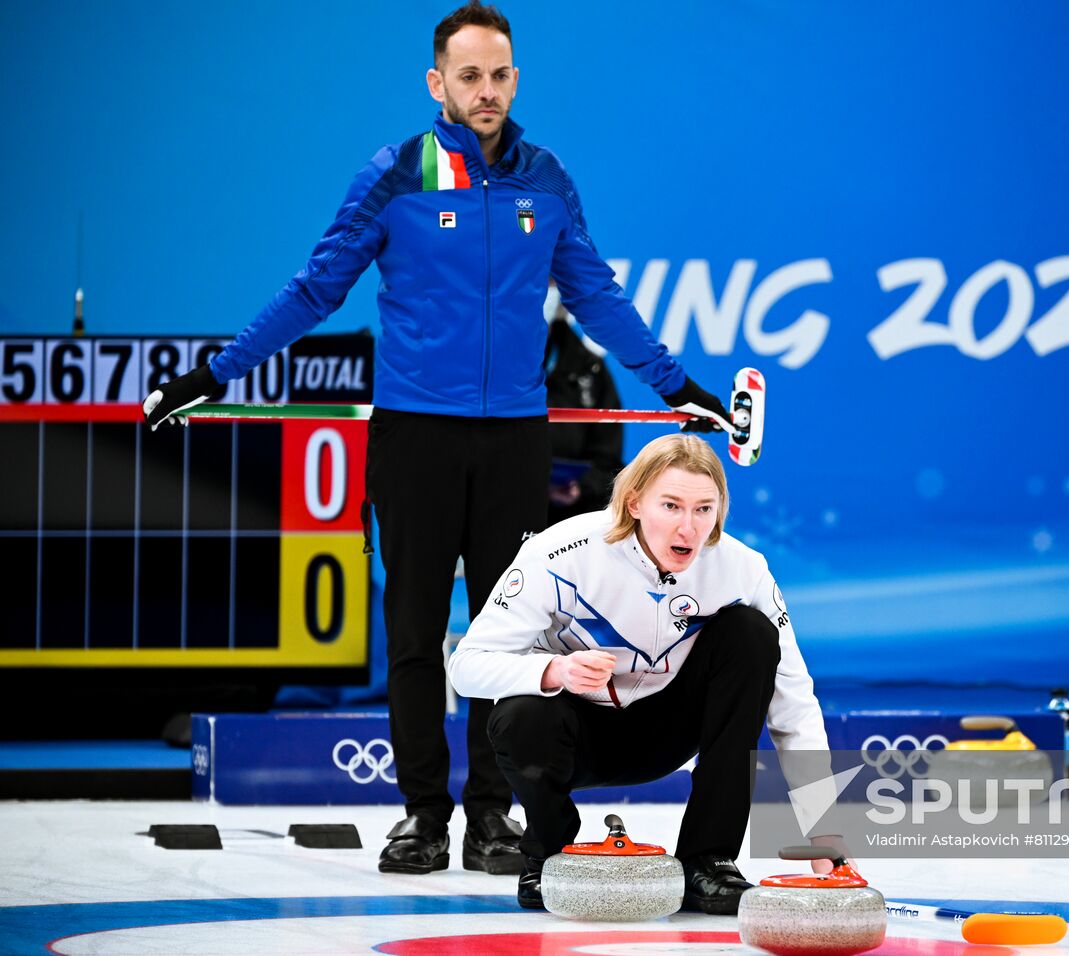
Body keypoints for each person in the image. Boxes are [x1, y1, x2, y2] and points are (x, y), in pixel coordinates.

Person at [141, 1, 734, 877]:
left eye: (499, 75)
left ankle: (493, 816)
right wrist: (215, 376)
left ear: (514, 79)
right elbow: (314, 291)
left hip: (513, 443)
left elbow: (599, 297)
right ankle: (422, 815)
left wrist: (681, 388)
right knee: (417, 631)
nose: (485, 92)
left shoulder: (547, 177)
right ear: (437, 83)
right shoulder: (396, 174)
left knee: (519, 635)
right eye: (468, 77)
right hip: (416, 435)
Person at [447, 434, 830, 914]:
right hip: (572, 731)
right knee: (519, 714)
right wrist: (554, 670)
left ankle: (706, 861)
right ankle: (548, 854)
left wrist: (825, 830)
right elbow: (467, 666)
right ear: (634, 502)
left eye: (704, 509)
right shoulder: (559, 551)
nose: (688, 529)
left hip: (667, 730)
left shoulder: (743, 569)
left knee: (751, 634)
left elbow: (792, 699)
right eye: (671, 505)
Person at [543, 293, 625, 524]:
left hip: (567, 521)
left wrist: (581, 487)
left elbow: (608, 464)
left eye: (551, 281)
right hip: (499, 509)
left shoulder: (590, 369)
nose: (544, 291)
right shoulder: (485, 367)